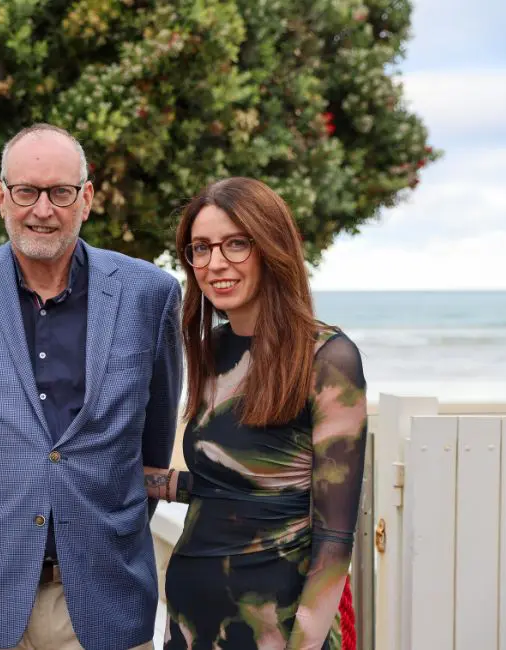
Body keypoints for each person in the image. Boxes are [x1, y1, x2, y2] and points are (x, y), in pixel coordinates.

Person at [0, 123, 183, 650]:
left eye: (60, 192)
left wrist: (99, 515)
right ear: (1, 197)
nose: (43, 209)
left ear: (86, 198)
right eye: (26, 192)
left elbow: (152, 444)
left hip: (105, 595)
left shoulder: (150, 295)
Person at [143, 177, 368, 650]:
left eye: (236, 244)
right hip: (189, 622)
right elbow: (245, 485)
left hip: (276, 628)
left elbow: (334, 537)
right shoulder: (209, 350)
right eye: (200, 248)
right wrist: (158, 482)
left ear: (272, 248)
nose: (215, 263)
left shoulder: (328, 359)